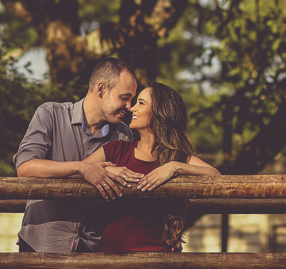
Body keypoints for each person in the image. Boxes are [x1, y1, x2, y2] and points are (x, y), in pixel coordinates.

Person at [13, 58, 143, 252]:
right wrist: (82, 168)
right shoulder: (50, 114)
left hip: (93, 248)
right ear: (101, 89)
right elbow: (25, 168)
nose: (129, 106)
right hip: (41, 245)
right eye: (124, 97)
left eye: (131, 99)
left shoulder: (124, 134)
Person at [83, 83, 220, 253]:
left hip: (159, 253)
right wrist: (103, 169)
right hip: (113, 251)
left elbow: (215, 176)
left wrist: (175, 167)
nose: (132, 108)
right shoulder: (116, 150)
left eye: (141, 103)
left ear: (160, 112)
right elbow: (79, 169)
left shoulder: (176, 157)